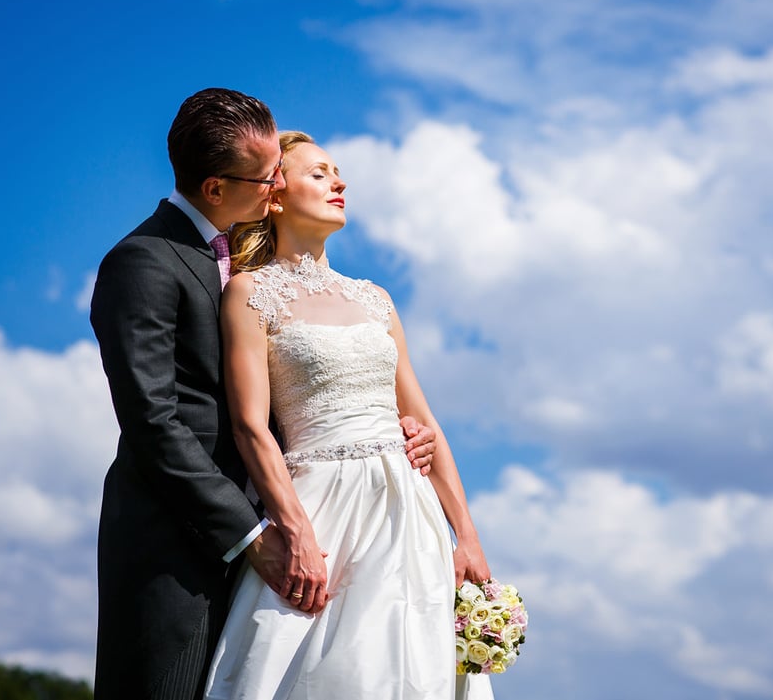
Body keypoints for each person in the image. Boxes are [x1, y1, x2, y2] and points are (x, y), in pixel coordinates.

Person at [90, 90, 436, 700]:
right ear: (217, 188)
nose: (279, 180)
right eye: (267, 173)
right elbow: (153, 421)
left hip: (295, 526)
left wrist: (388, 428)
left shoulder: (244, 259)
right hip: (182, 548)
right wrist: (252, 536)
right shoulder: (143, 262)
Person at [202, 131, 494, 699]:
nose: (340, 183)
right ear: (276, 195)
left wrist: (468, 536)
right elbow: (250, 427)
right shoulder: (249, 293)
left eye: (337, 173)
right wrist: (295, 531)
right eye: (319, 173)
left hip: (409, 512)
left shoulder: (376, 298)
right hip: (322, 512)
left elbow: (424, 421)